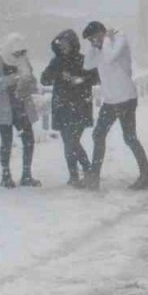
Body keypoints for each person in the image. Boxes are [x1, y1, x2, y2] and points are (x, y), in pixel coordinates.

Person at [81, 21, 148, 191]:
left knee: (129, 138)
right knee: (98, 135)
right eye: (91, 41)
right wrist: (94, 46)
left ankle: (146, 176)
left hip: (126, 98)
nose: (94, 42)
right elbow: (86, 64)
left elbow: (110, 57)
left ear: (102, 33)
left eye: (95, 38)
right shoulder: (99, 49)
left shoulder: (118, 40)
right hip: (110, 101)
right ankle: (94, 177)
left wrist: (106, 39)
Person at [40, 29, 99, 187]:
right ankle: (74, 175)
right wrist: (59, 75)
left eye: (66, 43)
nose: (63, 47)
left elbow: (96, 78)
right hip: (62, 107)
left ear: (73, 44)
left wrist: (80, 80)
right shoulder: (56, 62)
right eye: (61, 44)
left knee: (72, 141)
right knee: (68, 142)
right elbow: (44, 79)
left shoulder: (83, 60)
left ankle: (87, 170)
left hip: (80, 106)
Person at [0, 34, 41, 188]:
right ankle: (5, 175)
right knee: (6, 140)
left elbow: (33, 81)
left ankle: (27, 174)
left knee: (28, 139)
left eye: (22, 53)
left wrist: (28, 81)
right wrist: (9, 80)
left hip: (21, 105)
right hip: (2, 105)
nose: (19, 56)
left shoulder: (23, 61)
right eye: (16, 53)